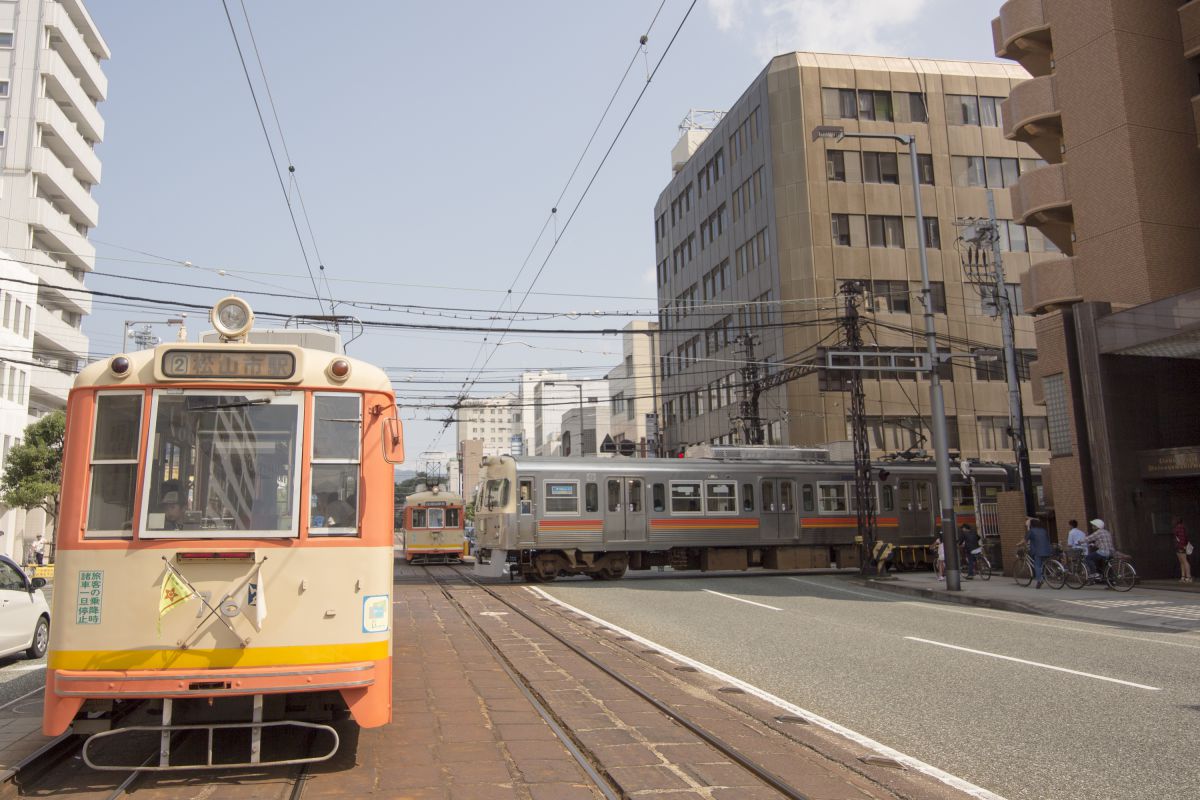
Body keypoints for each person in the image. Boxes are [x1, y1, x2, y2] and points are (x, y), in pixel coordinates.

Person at [1025, 516, 1052, 589]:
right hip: (1047, 550)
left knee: (1037, 565)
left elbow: (1026, 539)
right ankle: (1046, 574)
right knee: (1044, 564)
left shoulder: (1032, 531)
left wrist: (1018, 544)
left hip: (1038, 551)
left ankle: (1040, 580)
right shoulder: (1043, 530)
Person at [1173, 517, 1192, 584]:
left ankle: (1188, 577)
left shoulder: (1180, 527)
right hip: (1179, 546)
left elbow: (1182, 537)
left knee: (1184, 561)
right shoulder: (1180, 527)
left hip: (1180, 546)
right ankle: (1183, 577)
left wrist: (1182, 546)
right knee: (1182, 562)